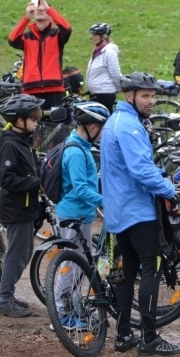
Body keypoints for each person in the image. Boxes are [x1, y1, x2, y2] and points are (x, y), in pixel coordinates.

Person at [100, 71, 180, 357]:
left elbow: (131, 166)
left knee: (126, 271)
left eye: (153, 95)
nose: (151, 101)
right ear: (129, 95)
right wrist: (170, 192)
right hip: (137, 210)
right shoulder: (130, 127)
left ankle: (124, 334)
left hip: (118, 211)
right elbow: (141, 170)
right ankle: (149, 339)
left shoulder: (115, 121)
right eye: (146, 95)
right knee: (152, 268)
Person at [53, 101, 110, 329]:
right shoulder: (76, 152)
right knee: (71, 266)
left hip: (81, 215)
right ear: (92, 127)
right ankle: (61, 315)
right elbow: (80, 189)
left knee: (80, 264)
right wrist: (106, 202)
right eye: (102, 129)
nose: (102, 134)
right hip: (73, 216)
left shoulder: (81, 145)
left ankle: (71, 309)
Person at [0, 94, 45, 318]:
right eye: (33, 119)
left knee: (23, 252)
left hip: (26, 206)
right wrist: (36, 183)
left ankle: (5, 295)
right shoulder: (10, 144)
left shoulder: (24, 140)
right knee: (17, 254)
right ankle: (4, 300)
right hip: (16, 208)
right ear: (19, 120)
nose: (36, 123)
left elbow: (31, 167)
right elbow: (7, 179)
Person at [8, 0, 72, 109]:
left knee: (55, 121)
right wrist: (26, 17)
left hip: (54, 89)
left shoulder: (56, 35)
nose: (40, 10)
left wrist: (48, 8)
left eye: (43, 9)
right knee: (33, 121)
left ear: (50, 16)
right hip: (30, 90)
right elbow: (12, 40)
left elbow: (67, 29)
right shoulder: (27, 37)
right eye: (37, 9)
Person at [85, 23, 121, 113]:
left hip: (105, 94)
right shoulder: (97, 51)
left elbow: (115, 74)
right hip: (95, 94)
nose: (93, 37)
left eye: (95, 35)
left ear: (104, 36)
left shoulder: (109, 52)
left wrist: (118, 89)